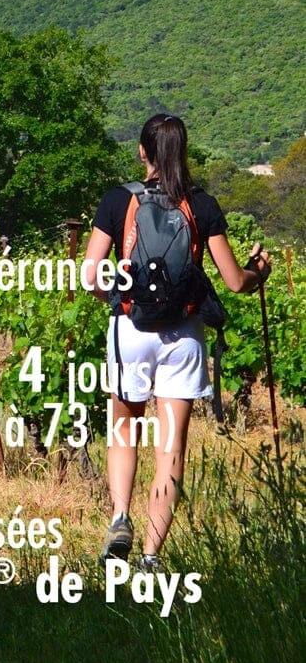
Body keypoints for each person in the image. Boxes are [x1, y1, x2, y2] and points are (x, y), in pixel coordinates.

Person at [82, 111, 271, 569]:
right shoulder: (201, 205)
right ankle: (150, 556)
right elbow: (233, 281)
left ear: (142, 152)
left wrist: (121, 296)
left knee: (123, 429)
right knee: (170, 446)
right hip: (183, 336)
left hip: (130, 330)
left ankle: (120, 516)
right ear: (181, 152)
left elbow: (90, 275)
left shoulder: (117, 201)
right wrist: (259, 273)